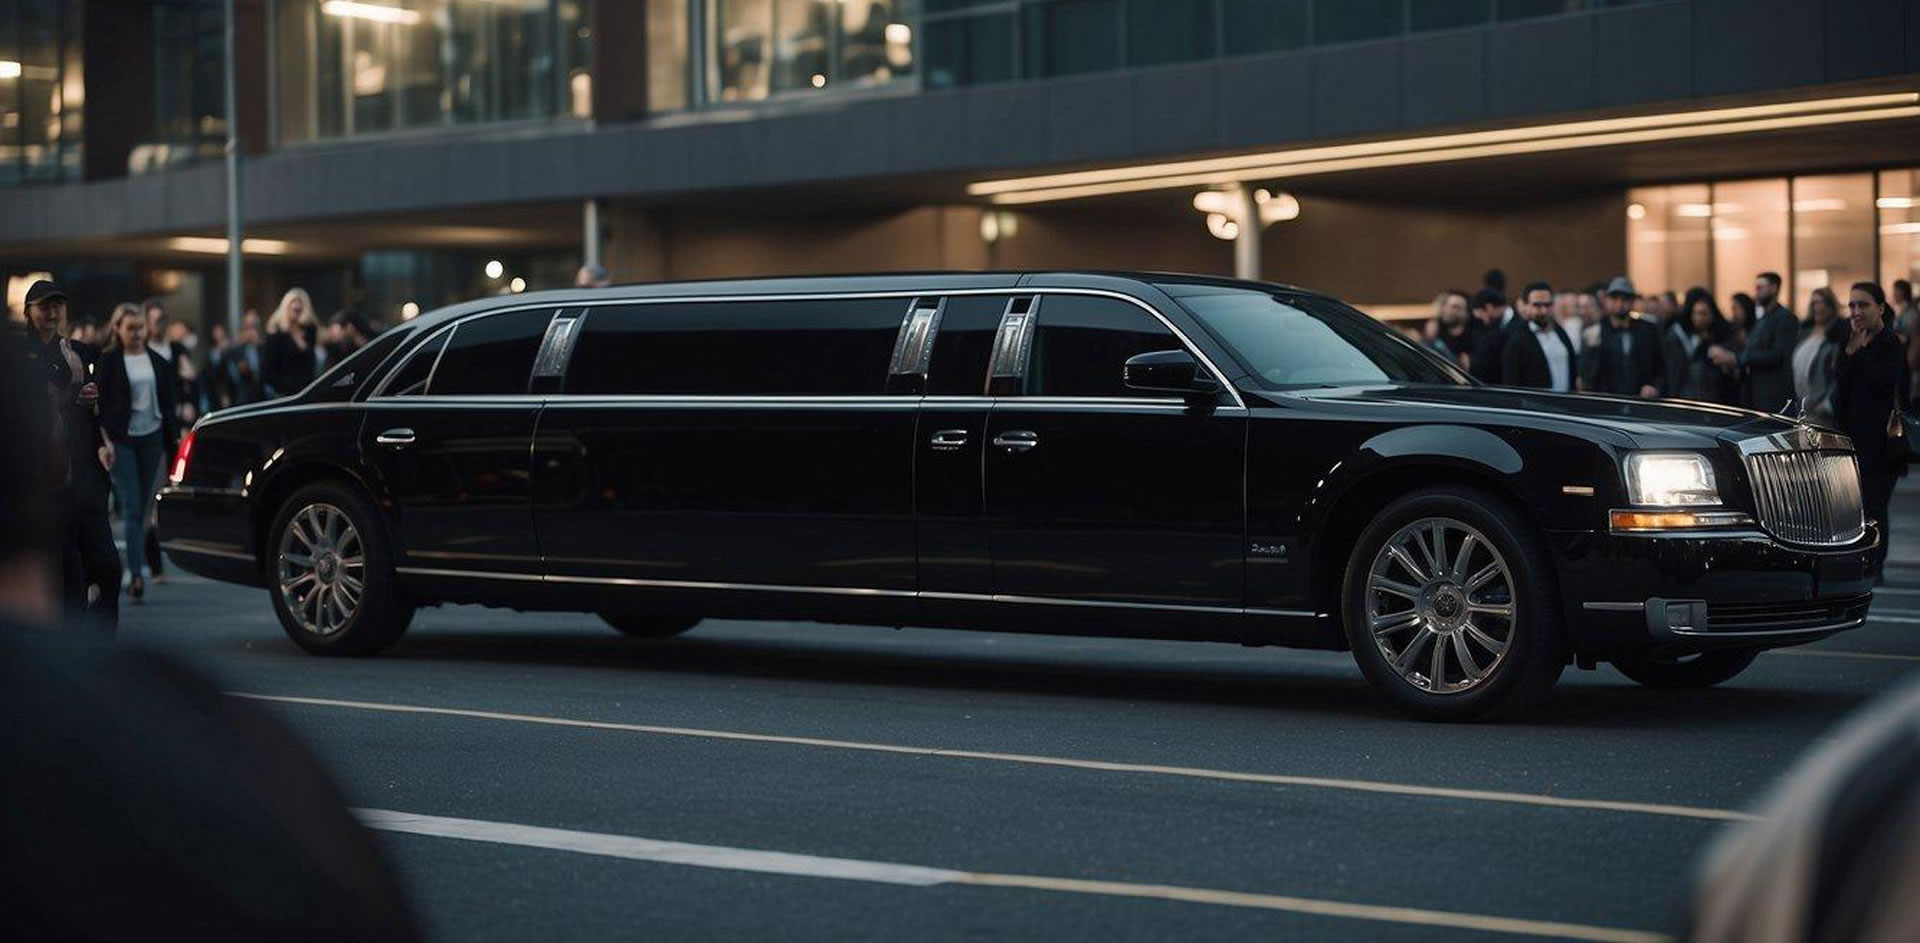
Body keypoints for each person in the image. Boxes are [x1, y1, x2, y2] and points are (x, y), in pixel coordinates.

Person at [18, 281, 119, 632]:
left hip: (85, 474)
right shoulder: (20, 354)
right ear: (28, 311)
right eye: (44, 305)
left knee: (108, 567)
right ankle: (75, 651)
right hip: (45, 478)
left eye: (58, 305)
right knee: (68, 576)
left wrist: (94, 405)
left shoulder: (80, 351)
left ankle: (102, 642)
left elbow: (100, 406)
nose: (52, 312)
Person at [98, 303, 180, 604]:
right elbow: (102, 405)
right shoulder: (109, 361)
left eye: (139, 327)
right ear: (117, 329)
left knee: (143, 509)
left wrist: (174, 435)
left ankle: (134, 566)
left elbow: (170, 400)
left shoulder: (157, 361)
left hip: (152, 437)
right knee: (132, 508)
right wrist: (104, 439)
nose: (136, 333)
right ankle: (134, 573)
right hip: (122, 439)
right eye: (129, 328)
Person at [1832, 282, 1908, 582]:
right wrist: (1852, 353)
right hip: (1852, 440)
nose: (1856, 311)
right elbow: (1841, 385)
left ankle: (1876, 566)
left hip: (1882, 443)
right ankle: (1860, 563)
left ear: (1880, 308)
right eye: (1851, 305)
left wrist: (1860, 353)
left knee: (1876, 507)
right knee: (1855, 509)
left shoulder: (1890, 344)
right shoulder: (1849, 341)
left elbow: (1886, 384)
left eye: (1863, 305)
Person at [1715, 273, 1797, 413]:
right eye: (1756, 288)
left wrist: (1736, 359)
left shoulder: (1785, 319)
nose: (1756, 292)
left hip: (1773, 396)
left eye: (1760, 287)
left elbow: (1778, 355)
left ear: (1774, 288)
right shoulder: (1762, 319)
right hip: (1755, 395)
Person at [1582, 276, 1664, 397]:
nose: (1620, 304)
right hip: (1607, 403)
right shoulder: (1596, 331)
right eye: (1615, 299)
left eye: (1625, 299)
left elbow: (1660, 366)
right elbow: (1587, 374)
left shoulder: (1648, 330)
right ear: (1606, 300)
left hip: (1641, 401)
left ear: (1632, 302)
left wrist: (1654, 386)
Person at [1663, 289, 1741, 405]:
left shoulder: (1721, 335)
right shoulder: (1678, 333)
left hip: (1714, 399)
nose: (1699, 318)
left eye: (1704, 313)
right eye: (1696, 313)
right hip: (1685, 397)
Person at [1502, 280, 1578, 392]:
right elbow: (1511, 381)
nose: (1543, 311)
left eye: (1547, 305)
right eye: (1537, 305)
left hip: (1565, 404)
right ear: (1525, 306)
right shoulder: (1516, 339)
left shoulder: (1561, 334)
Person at [1789, 288, 1846, 426]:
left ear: (1831, 306)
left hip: (1822, 411)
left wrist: (1827, 403)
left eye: (1822, 302)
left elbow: (1839, 374)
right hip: (1802, 408)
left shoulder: (1837, 335)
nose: (1817, 307)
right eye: (1814, 303)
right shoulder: (1804, 332)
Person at [262, 288, 324, 398]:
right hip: (282, 394)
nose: (296, 309)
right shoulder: (276, 333)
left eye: (300, 308)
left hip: (306, 392)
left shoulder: (309, 330)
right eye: (293, 307)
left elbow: (311, 363)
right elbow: (267, 370)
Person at [1466, 287, 1512, 384]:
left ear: (1489, 308)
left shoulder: (1518, 327)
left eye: (1481, 316)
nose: (1483, 322)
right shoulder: (1495, 328)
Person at [227, 309, 267, 405]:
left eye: (254, 326)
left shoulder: (263, 346)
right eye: (248, 326)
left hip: (262, 396)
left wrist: (258, 345)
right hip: (243, 397)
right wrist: (241, 340)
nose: (251, 330)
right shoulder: (238, 347)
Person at [1425, 290, 1475, 366]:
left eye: (1455, 307)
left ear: (1466, 313)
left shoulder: (1474, 340)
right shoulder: (1435, 336)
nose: (1448, 310)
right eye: (1446, 305)